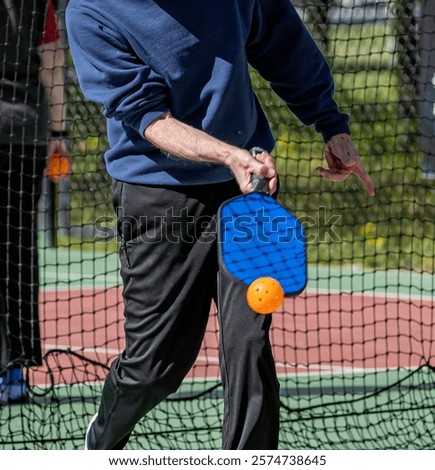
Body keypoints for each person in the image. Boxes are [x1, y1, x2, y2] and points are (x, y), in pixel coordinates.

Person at [66, 0, 375, 450]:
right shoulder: (90, 11)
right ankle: (102, 440)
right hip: (158, 195)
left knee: (249, 345)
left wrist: (332, 126)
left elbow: (284, 44)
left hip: (245, 191)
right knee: (156, 367)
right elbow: (150, 118)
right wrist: (230, 154)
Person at [0, 0, 67, 403]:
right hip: (26, 129)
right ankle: (15, 371)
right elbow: (53, 63)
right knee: (19, 249)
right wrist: (58, 130)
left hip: (22, 130)